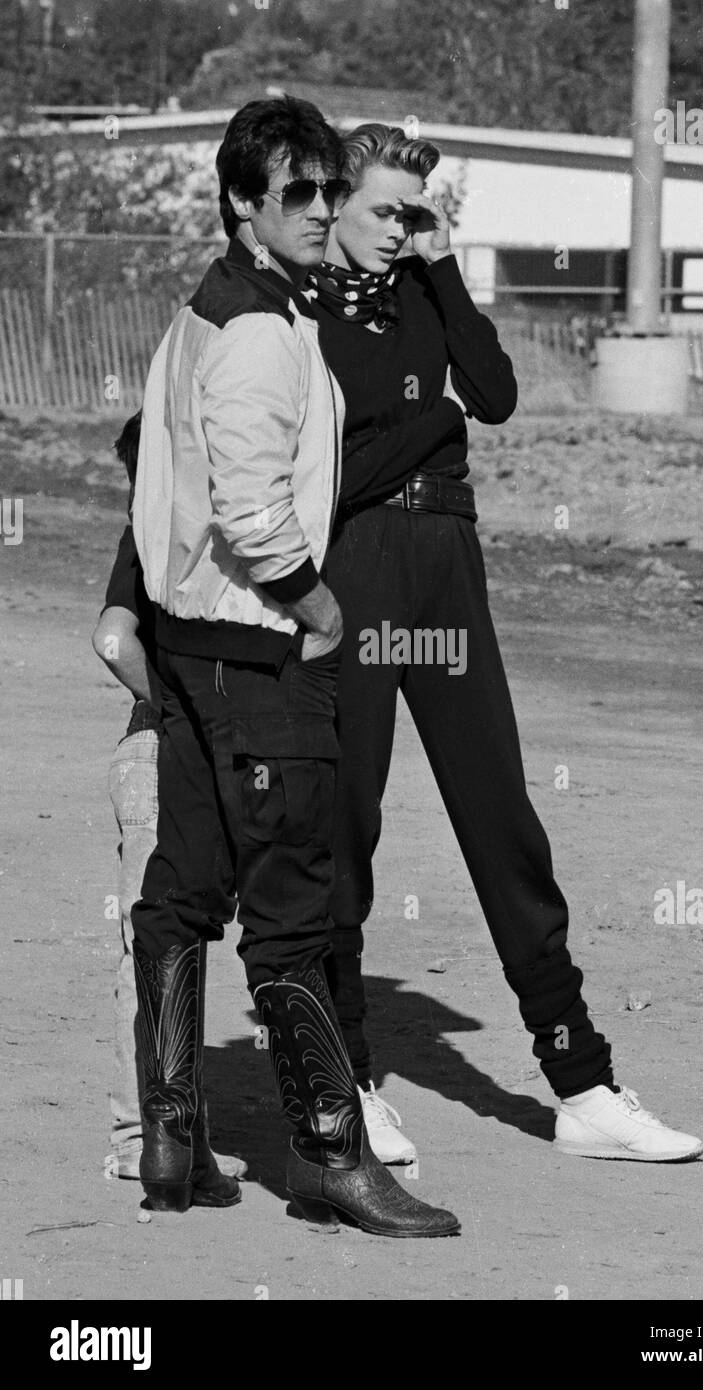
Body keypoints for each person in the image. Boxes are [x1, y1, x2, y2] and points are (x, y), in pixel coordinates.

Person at [308, 123, 703, 1166]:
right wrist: (428, 426)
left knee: (502, 818)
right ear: (335, 201)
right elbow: (327, 463)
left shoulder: (423, 292)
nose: (401, 229)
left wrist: (440, 274)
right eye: (387, 211)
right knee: (343, 829)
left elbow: (494, 395)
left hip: (446, 561)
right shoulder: (295, 309)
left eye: (416, 215)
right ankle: (343, 1077)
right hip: (350, 566)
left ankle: (581, 1081)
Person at [128, 98, 459, 1237]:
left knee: (181, 893)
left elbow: (151, 462)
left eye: (330, 189)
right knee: (294, 914)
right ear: (243, 204)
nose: (322, 211)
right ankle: (328, 1154)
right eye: (299, 195)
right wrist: (318, 606)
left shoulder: (209, 311)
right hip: (257, 658)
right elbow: (253, 510)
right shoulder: (260, 329)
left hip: (188, 653)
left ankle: (175, 1136)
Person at [92, 416, 246, 1184]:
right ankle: (139, 1137)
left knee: (158, 943)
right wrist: (181, 709)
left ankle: (161, 1136)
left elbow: (119, 639)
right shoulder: (174, 537)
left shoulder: (151, 536)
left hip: (157, 751)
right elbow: (113, 643)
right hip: (167, 750)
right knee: (163, 946)